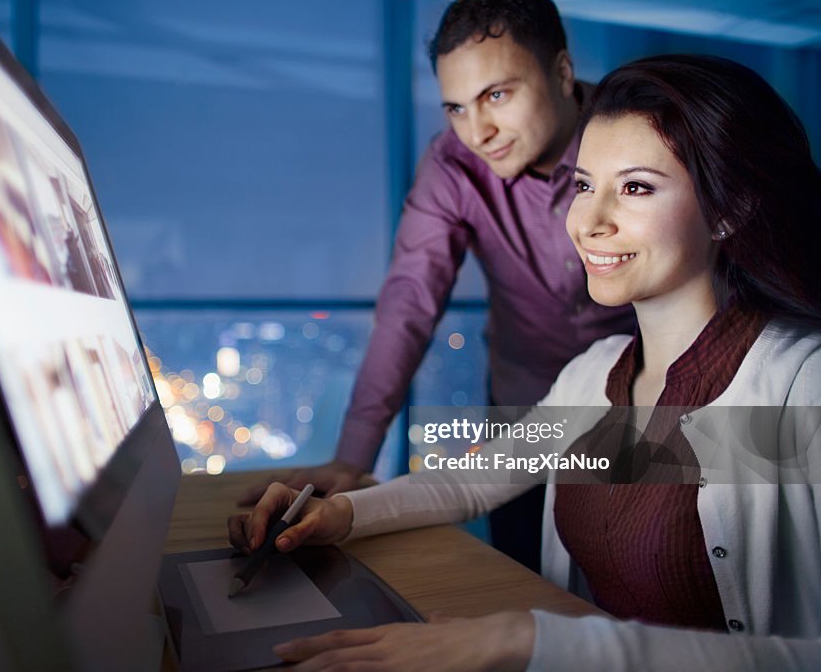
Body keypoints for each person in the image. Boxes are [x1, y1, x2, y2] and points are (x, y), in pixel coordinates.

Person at [230, 54, 821, 670]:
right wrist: (338, 514)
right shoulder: (597, 372)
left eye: (636, 187)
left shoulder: (799, 386)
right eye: (585, 186)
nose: (588, 222)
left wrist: (528, 640)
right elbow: (474, 479)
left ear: (731, 208)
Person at [241, 0, 636, 572]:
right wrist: (353, 459)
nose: (478, 131)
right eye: (455, 107)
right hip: (524, 403)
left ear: (562, 70)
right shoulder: (452, 165)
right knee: (523, 573)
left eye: (496, 95)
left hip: (651, 394)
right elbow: (409, 302)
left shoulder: (640, 135)